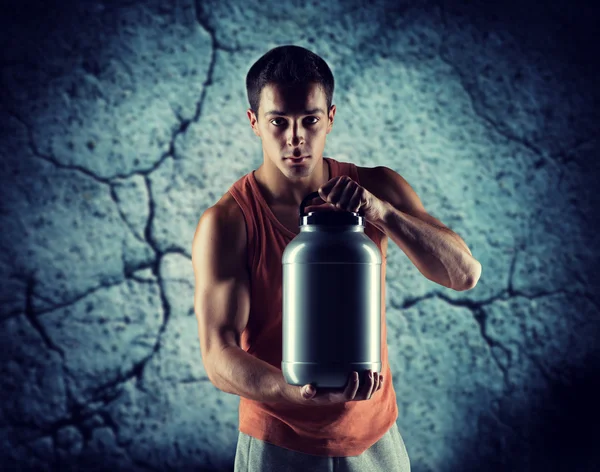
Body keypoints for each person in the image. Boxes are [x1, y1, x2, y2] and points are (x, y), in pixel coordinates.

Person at [192, 45, 411, 472]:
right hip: (278, 442)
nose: (295, 139)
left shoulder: (376, 188)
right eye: (279, 122)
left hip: (375, 436)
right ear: (254, 122)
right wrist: (293, 390)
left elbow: (463, 274)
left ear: (330, 117)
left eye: (310, 120)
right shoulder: (229, 221)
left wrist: (382, 213)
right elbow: (218, 355)